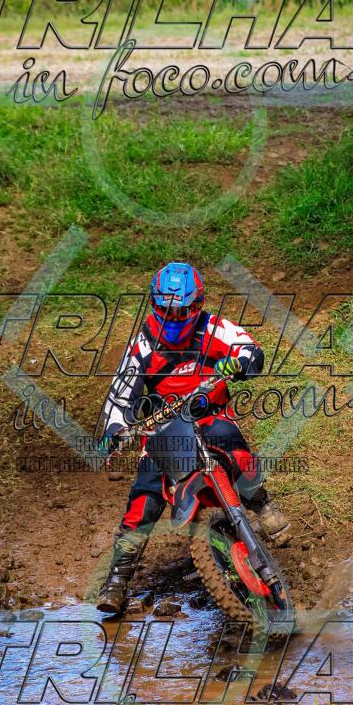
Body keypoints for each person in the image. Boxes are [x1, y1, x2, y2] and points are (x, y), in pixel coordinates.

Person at [95, 261, 287, 614]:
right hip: (166, 430)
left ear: (197, 305)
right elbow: (120, 397)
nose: (174, 317)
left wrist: (240, 362)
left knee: (234, 446)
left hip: (210, 415)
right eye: (166, 310)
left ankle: (260, 502)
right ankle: (117, 581)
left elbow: (249, 347)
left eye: (182, 310)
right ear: (154, 305)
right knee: (144, 498)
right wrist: (113, 432)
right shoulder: (142, 346)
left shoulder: (213, 328)